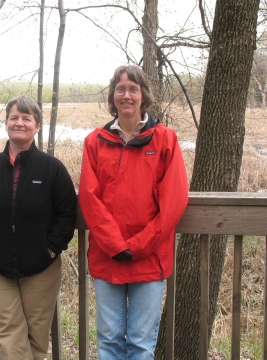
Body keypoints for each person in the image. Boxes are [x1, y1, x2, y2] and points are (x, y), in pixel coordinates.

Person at [78, 65, 188, 360]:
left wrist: (138, 245)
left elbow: (174, 201)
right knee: (109, 341)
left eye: (133, 89)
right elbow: (89, 199)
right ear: (113, 96)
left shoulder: (165, 139)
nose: (126, 95)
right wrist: (116, 245)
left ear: (143, 96)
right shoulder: (95, 141)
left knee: (141, 344)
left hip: (150, 259)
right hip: (107, 256)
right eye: (120, 89)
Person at [0, 96, 77, 360]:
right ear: (6, 123)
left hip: (42, 267)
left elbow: (66, 215)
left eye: (27, 118)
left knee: (37, 335)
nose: (20, 123)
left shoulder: (52, 168)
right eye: (14, 117)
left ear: (37, 126)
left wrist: (50, 249)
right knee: (7, 332)